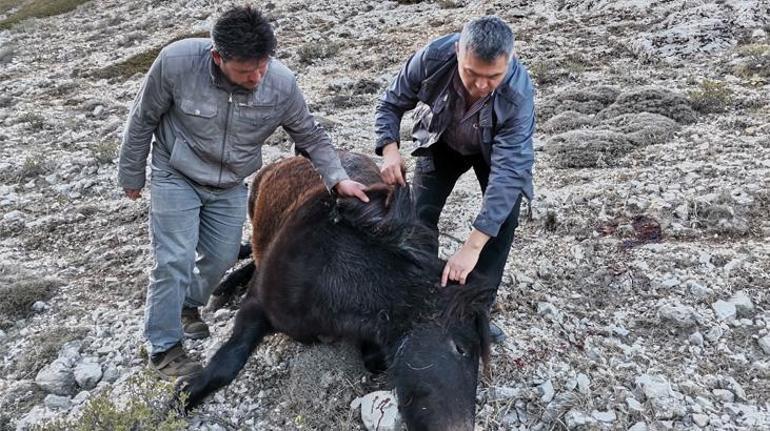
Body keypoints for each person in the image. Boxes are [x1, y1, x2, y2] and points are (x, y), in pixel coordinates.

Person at [118, 5, 368, 379]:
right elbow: (143, 118)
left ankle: (187, 305)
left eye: (262, 66)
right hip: (176, 173)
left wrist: (338, 179)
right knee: (174, 258)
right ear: (218, 57)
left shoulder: (281, 83)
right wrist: (132, 173)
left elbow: (311, 136)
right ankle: (164, 347)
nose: (256, 77)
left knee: (220, 258)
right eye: (245, 70)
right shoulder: (175, 63)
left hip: (231, 182)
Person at [374, 16, 535, 343]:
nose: (480, 85)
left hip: (494, 156)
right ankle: (421, 294)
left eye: (493, 77)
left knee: (500, 224)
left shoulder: (518, 95)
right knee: (419, 216)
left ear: (510, 60)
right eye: (471, 73)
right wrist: (390, 151)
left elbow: (507, 175)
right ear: (458, 52)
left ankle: (474, 311)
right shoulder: (433, 58)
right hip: (441, 140)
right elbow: (390, 103)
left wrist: (472, 247)